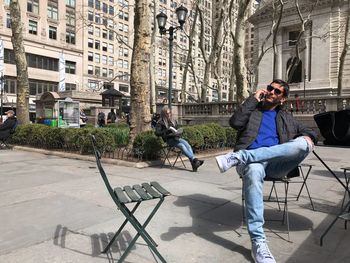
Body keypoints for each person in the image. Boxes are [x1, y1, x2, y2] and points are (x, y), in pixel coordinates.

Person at [215, 79, 317, 263]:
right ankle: (258, 242)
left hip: (276, 165)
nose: (271, 92)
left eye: (277, 91)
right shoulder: (252, 110)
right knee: (254, 169)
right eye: (270, 88)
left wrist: (310, 137)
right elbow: (235, 122)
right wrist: (252, 99)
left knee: (304, 143)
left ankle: (240, 157)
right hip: (253, 167)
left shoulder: (286, 117)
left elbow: (311, 132)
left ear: (283, 99)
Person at [155, 106, 204, 172]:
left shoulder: (173, 121)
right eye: (167, 113)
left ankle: (194, 163)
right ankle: (194, 160)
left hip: (176, 138)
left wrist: (178, 132)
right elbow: (157, 133)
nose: (169, 114)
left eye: (169, 113)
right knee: (182, 146)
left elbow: (176, 129)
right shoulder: (160, 122)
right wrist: (166, 130)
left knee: (187, 145)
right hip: (169, 140)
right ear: (163, 114)